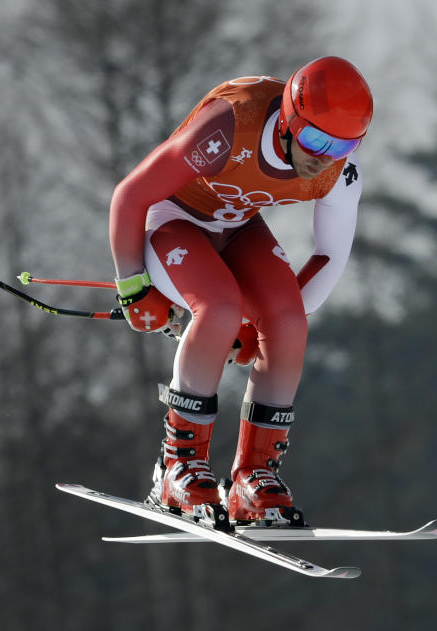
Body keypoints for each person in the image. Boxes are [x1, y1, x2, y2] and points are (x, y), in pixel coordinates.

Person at [109, 56, 372, 524]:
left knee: (289, 323)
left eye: (344, 144)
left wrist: (264, 324)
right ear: (290, 121)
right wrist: (133, 285)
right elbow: (131, 195)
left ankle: (253, 478)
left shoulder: (338, 172)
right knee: (220, 310)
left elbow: (330, 255)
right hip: (172, 220)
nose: (324, 155)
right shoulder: (232, 127)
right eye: (315, 139)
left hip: (236, 226)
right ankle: (178, 466)